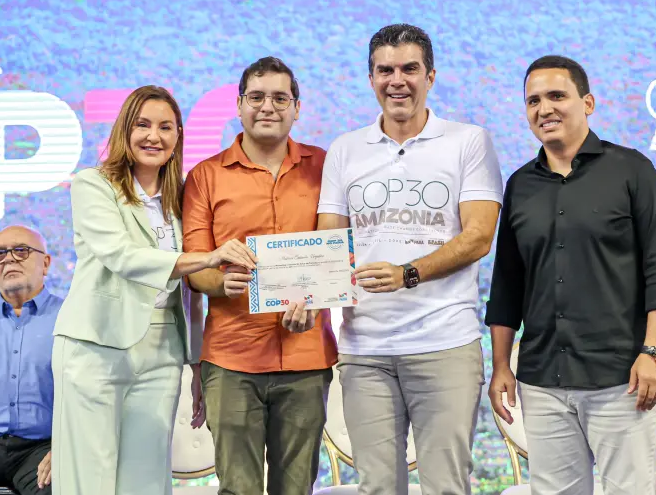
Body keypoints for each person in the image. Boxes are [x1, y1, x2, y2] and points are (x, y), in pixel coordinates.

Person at [316, 24, 503, 494]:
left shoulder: (468, 141)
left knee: (446, 486)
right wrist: (304, 293)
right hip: (364, 350)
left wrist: (408, 274)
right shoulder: (345, 149)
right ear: (371, 79)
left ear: (430, 76)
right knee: (378, 487)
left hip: (445, 343)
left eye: (409, 69)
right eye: (385, 70)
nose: (396, 80)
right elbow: (328, 244)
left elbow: (479, 236)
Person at [485, 55, 656, 495]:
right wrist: (500, 366)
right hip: (542, 379)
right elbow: (507, 283)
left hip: (621, 377)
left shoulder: (631, 169)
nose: (544, 109)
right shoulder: (520, 185)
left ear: (587, 103)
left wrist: (654, 352)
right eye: (533, 101)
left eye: (557, 96)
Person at [51, 86, 250, 495]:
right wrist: (208, 258)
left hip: (162, 350)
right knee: (89, 479)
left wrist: (196, 360)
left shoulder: (182, 198)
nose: (153, 136)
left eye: (165, 127)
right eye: (142, 125)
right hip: (95, 345)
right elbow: (122, 256)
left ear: (178, 136)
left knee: (147, 481)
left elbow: (191, 291)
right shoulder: (93, 185)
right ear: (124, 130)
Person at [182, 57, 337, 495]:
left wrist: (317, 300)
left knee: (297, 489)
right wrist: (220, 281)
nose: (267, 107)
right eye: (256, 97)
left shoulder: (326, 166)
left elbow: (338, 252)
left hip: (306, 357)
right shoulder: (205, 176)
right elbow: (195, 267)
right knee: (238, 489)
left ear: (297, 108)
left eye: (280, 98)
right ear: (239, 105)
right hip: (232, 361)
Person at [0, 226, 62, 495]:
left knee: (62, 486)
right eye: (0, 254)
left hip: (42, 449)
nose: (8, 258)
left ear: (45, 263)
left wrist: (67, 447)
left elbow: (91, 394)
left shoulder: (71, 319)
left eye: (21, 250)